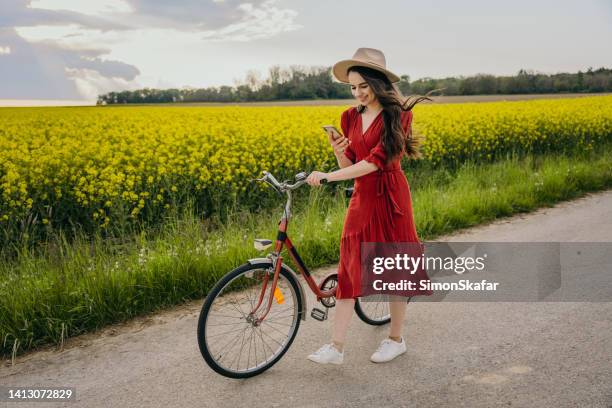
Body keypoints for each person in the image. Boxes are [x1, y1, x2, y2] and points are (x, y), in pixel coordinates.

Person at [305, 47, 435, 365]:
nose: (358, 93)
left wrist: (329, 177)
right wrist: (338, 151)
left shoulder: (399, 115)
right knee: (350, 265)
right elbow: (353, 162)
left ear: (378, 84)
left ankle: (395, 339)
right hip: (363, 195)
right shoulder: (349, 116)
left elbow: (376, 162)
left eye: (364, 85)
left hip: (390, 196)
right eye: (352, 86)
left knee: (394, 267)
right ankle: (336, 347)